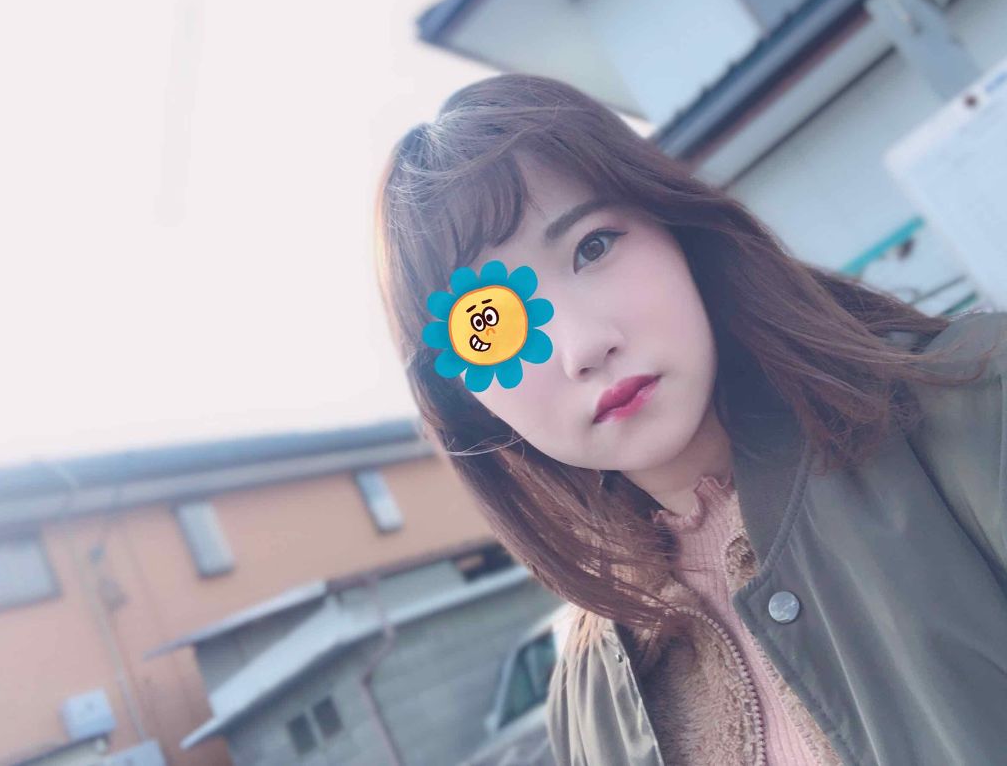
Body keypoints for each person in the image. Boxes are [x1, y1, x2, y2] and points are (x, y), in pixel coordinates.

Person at [372, 72, 1007, 765]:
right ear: (468, 399)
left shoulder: (971, 412)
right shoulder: (588, 701)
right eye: (491, 324)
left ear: (674, 227)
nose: (583, 347)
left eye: (592, 246)